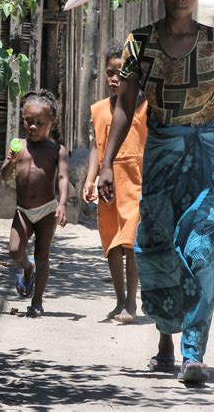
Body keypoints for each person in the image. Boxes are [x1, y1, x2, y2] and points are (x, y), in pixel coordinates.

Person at [97, 0, 214, 383]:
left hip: (207, 155)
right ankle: (165, 343)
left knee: (204, 247)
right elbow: (124, 105)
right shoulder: (140, 43)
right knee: (158, 248)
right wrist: (106, 163)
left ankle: (194, 352)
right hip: (161, 153)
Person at [83, 46, 147, 323]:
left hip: (137, 183)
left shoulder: (147, 109)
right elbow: (96, 148)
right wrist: (89, 179)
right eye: (109, 73)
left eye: (120, 74)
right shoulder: (98, 110)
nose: (113, 79)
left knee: (130, 242)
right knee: (111, 242)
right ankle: (119, 299)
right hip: (109, 186)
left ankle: (132, 302)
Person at [1, 90, 69, 317]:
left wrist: (62, 205)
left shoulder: (57, 151)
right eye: (28, 121)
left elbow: (63, 178)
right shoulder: (19, 146)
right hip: (23, 211)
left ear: (52, 123)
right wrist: (10, 161)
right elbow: (4, 175)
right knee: (14, 250)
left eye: (39, 123)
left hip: (47, 211)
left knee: (43, 256)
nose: (33, 127)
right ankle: (26, 269)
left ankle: (37, 301)